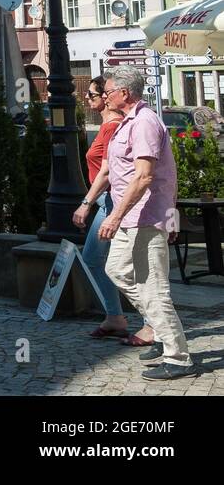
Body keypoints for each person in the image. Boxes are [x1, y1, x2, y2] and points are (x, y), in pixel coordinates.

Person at [99, 66, 193, 380]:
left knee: (153, 289)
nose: (105, 96)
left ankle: (178, 357)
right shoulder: (127, 122)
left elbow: (144, 176)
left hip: (146, 217)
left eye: (108, 91)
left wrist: (114, 215)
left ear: (124, 93)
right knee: (116, 270)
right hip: (133, 217)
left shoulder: (143, 122)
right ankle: (160, 329)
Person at [73, 76, 129, 339]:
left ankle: (119, 316)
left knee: (94, 258)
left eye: (93, 95)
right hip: (106, 201)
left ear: (106, 99)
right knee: (104, 259)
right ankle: (115, 316)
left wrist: (85, 203)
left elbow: (107, 172)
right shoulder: (108, 126)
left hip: (111, 201)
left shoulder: (112, 128)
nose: (88, 98)